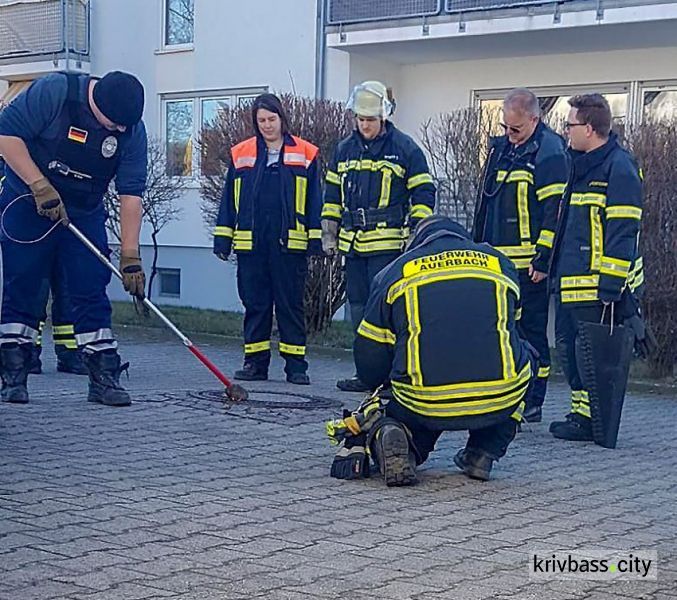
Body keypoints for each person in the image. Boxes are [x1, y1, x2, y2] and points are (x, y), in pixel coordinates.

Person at [327, 216, 535, 486]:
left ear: (417, 243)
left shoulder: (396, 272)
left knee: (410, 407)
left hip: (423, 400)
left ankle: (404, 442)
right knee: (530, 357)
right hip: (499, 398)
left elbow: (369, 362)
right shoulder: (500, 264)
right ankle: (483, 453)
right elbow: (513, 333)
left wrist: (387, 384)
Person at [0, 71, 148, 406]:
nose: (119, 132)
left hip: (83, 211)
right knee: (23, 283)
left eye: (125, 127)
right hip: (28, 202)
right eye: (114, 125)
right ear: (97, 103)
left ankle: (103, 376)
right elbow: (6, 135)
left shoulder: (131, 130)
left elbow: (131, 195)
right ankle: (13, 374)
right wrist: (39, 185)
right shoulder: (55, 92)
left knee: (90, 285)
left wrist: (130, 256)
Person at [321, 81, 436, 393]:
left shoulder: (405, 148)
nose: (364, 125)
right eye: (360, 119)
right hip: (354, 247)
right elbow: (332, 195)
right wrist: (329, 231)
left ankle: (392, 376)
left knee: (387, 312)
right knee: (358, 310)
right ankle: (366, 374)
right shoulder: (344, 150)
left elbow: (424, 192)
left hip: (388, 248)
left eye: (370, 120)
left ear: (383, 117)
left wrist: (418, 232)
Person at [549, 94, 644, 441]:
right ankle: (581, 414)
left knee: (589, 352)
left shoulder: (619, 167)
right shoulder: (576, 164)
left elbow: (623, 232)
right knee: (571, 351)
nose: (566, 132)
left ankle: (594, 419)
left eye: (570, 125)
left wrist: (611, 286)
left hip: (596, 286)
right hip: (570, 281)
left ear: (589, 128)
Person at [473, 88, 568, 423]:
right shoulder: (503, 149)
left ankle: (534, 401)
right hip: (497, 262)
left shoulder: (550, 151)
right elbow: (486, 205)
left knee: (531, 332)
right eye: (505, 128)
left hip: (529, 267)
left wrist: (543, 260)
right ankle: (504, 394)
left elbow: (553, 212)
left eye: (516, 129)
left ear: (534, 119)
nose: (509, 136)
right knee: (501, 331)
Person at [213, 93, 322, 385]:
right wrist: (223, 237)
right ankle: (255, 365)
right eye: (261, 120)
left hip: (290, 245)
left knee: (290, 305)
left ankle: (296, 367)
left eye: (271, 119)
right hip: (252, 244)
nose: (267, 125)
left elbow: (315, 201)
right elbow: (228, 201)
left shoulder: (306, 153)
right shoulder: (242, 153)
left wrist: (316, 240)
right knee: (256, 305)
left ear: (282, 119)